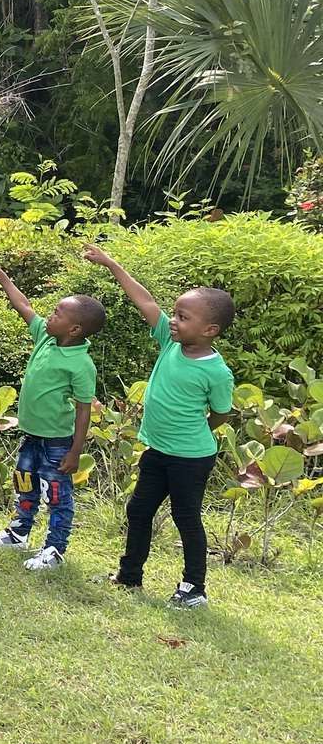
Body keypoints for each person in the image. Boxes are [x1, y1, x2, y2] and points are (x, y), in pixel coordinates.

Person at [85, 246, 237, 607]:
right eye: (175, 314)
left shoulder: (216, 371)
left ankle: (193, 588)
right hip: (157, 451)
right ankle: (129, 575)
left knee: (187, 519)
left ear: (210, 329)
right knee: (138, 510)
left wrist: (195, 433)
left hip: (191, 458)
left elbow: (220, 414)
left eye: (183, 317)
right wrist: (112, 264)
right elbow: (145, 302)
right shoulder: (170, 341)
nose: (173, 321)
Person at [0, 258, 105, 571]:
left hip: (58, 443)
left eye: (58, 313)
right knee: (24, 482)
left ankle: (54, 550)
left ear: (74, 329)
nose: (50, 314)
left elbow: (84, 410)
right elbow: (23, 305)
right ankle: (18, 533)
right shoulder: (46, 337)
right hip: (31, 435)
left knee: (57, 495)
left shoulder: (81, 364)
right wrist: (1, 275)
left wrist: (76, 451)